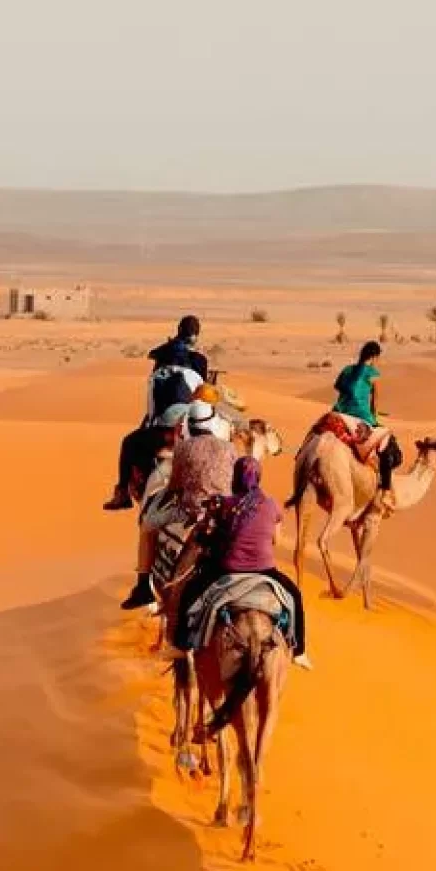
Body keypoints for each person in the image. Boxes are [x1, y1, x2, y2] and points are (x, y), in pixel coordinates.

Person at [182, 460, 311, 735]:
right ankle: (299, 650)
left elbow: (214, 534)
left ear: (236, 479)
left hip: (227, 570)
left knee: (190, 591)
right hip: (265, 570)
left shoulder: (227, 504)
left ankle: (181, 642)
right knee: (296, 596)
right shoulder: (271, 505)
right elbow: (276, 540)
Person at [121, 399, 234, 609]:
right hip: (224, 511)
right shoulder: (229, 448)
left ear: (189, 425)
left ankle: (144, 586)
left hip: (190, 512)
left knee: (146, 525)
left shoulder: (184, 448)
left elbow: (174, 485)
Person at [104, 315, 210, 510]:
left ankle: (122, 494)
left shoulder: (161, 358)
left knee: (129, 443)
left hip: (161, 434)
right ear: (197, 335)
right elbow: (204, 396)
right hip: (189, 431)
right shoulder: (200, 361)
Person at [332, 341, 402, 503]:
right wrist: (374, 417)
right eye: (378, 358)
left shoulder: (347, 370)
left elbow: (339, 388)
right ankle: (385, 490)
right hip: (361, 415)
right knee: (386, 445)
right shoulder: (372, 372)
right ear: (374, 357)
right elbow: (375, 399)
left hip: (338, 412)